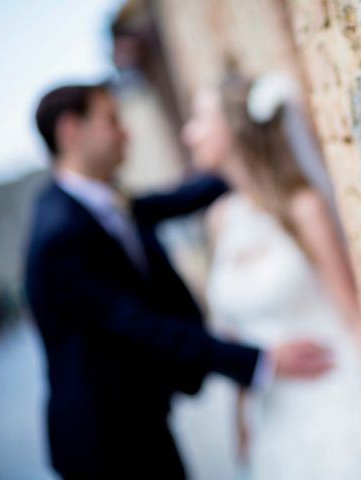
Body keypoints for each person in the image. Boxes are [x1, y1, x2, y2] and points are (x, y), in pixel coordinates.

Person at [24, 82, 332, 479]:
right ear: (71, 130)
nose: (125, 132)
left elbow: (174, 201)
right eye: (111, 121)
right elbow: (138, 324)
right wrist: (258, 361)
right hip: (103, 440)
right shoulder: (59, 232)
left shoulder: (103, 200)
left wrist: (242, 156)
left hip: (143, 416)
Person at [182, 71, 361, 480]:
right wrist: (239, 417)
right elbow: (234, 333)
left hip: (335, 392)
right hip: (272, 411)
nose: (189, 133)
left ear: (233, 128)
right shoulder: (220, 218)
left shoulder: (303, 208)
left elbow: (352, 311)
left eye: (200, 119)